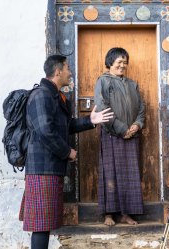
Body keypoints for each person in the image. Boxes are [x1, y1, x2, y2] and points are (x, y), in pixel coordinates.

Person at [19, 54, 114, 249]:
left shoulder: (55, 95)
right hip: (41, 169)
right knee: (41, 225)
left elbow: (65, 126)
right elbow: (45, 131)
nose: (70, 72)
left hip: (50, 168)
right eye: (68, 68)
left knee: (44, 223)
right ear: (58, 71)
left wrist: (90, 121)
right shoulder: (41, 95)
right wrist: (67, 152)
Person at [94, 47, 145, 226]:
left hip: (132, 135)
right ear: (110, 63)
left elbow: (141, 108)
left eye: (125, 62)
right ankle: (109, 214)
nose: (122, 65)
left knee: (130, 174)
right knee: (110, 173)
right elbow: (102, 107)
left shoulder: (132, 84)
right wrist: (122, 128)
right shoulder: (103, 81)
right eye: (119, 62)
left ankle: (126, 213)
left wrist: (136, 125)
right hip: (112, 135)